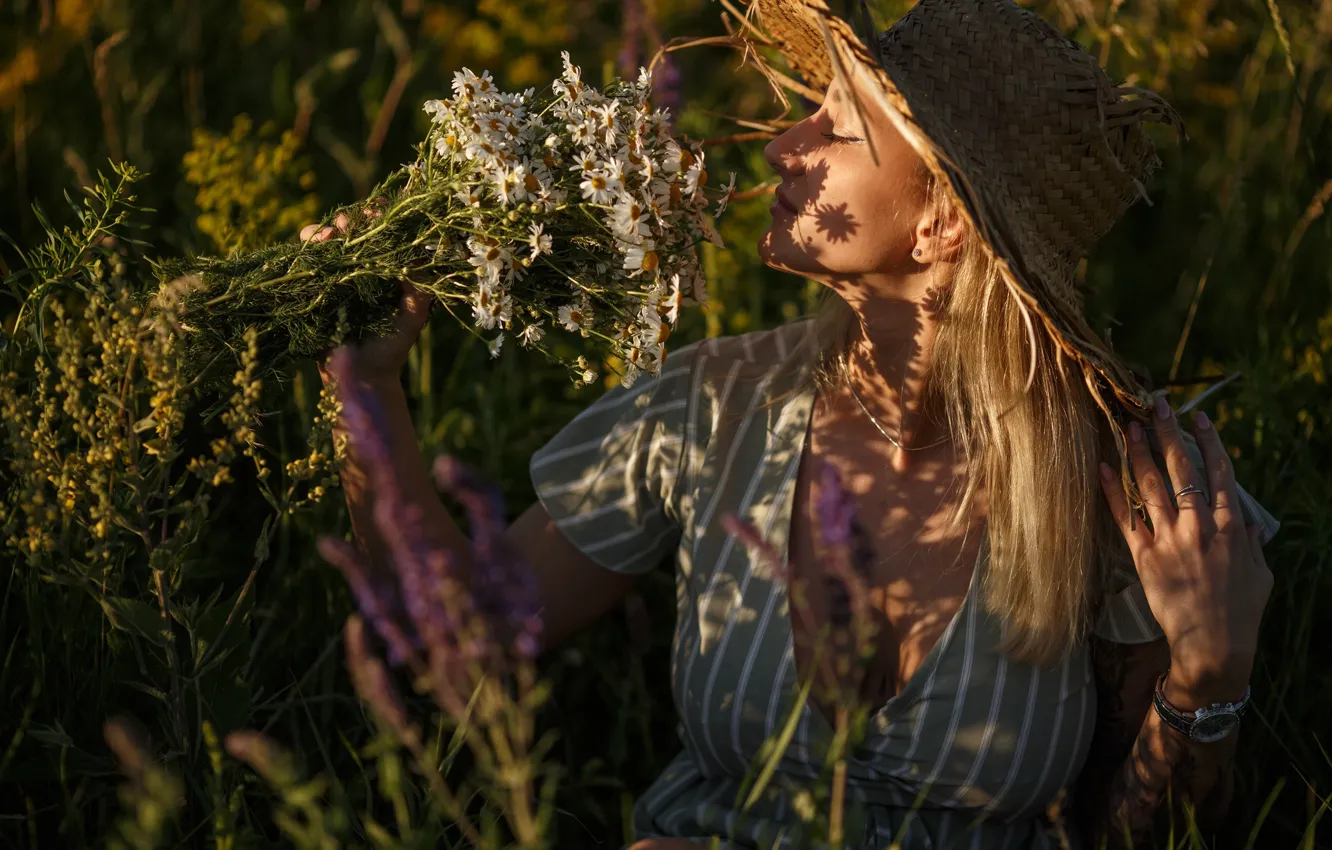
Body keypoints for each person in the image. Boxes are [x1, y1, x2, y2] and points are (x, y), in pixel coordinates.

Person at [304, 0, 1281, 846]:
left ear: (942, 217)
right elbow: (456, 649)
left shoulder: (1127, 481)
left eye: (836, 124)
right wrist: (367, 387)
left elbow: (1138, 837)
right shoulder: (713, 405)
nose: (782, 143)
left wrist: (1206, 680)